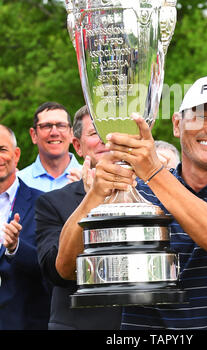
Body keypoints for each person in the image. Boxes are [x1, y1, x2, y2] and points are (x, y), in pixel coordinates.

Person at [55, 75, 207, 330]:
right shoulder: (138, 193)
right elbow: (66, 268)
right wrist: (96, 194)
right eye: (202, 117)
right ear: (177, 124)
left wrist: (153, 172)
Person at [35, 105, 122, 330]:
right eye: (95, 133)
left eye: (112, 131)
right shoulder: (52, 203)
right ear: (78, 146)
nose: (105, 139)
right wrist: (93, 200)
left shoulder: (151, 194)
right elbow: (56, 273)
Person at [0, 124, 50, 330]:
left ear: (16, 154)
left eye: (2, 149)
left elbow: (51, 265)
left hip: (25, 321)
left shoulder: (44, 203)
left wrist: (16, 248)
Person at [18, 101, 82, 191]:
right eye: (46, 126)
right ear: (34, 135)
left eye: (61, 125)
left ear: (71, 133)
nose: (54, 133)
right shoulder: (18, 183)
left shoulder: (91, 180)